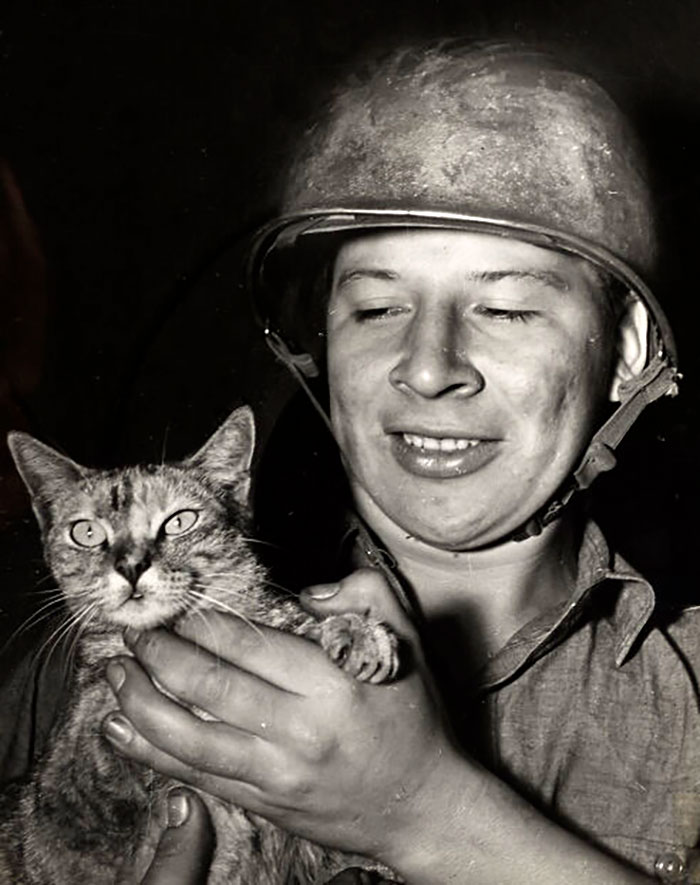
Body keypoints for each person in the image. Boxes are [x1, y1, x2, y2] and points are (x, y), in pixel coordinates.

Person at [1, 40, 694, 884]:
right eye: (375, 305)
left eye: (507, 307)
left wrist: (427, 809)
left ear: (626, 351)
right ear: (320, 344)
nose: (431, 366)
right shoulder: (71, 675)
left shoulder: (688, 702)